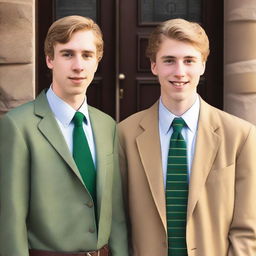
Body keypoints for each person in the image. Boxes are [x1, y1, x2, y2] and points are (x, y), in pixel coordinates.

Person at [118, 18, 256, 256]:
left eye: (189, 60)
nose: (179, 72)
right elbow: (119, 222)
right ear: (154, 66)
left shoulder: (240, 135)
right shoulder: (125, 134)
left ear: (202, 65)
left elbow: (247, 230)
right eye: (169, 61)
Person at [0, 15, 128, 256]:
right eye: (68, 54)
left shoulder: (107, 125)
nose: (78, 65)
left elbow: (116, 212)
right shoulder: (17, 126)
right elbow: (10, 218)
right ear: (50, 59)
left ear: (97, 62)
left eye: (87, 55)